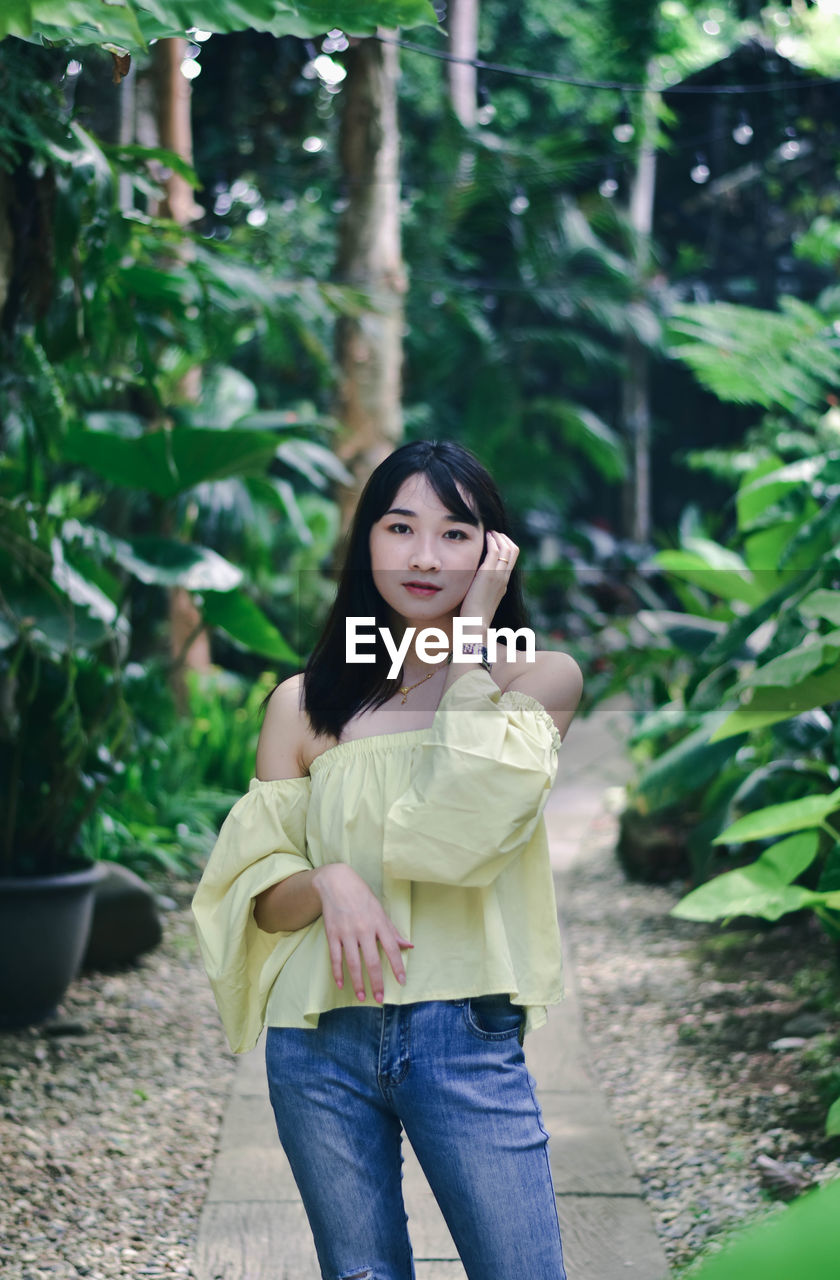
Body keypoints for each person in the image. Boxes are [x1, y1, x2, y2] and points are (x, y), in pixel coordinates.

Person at [192, 439, 583, 1280]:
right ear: (365, 542)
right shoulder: (302, 704)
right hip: (320, 1035)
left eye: (454, 533)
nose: (422, 555)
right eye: (398, 527)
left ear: (493, 553)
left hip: (464, 1030)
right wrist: (329, 880)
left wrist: (472, 635)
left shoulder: (537, 680)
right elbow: (259, 895)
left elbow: (459, 828)